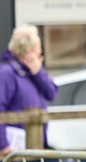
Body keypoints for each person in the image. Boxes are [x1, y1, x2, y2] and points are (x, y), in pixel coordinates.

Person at [0, 25, 58, 154]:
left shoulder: (34, 73)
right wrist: (3, 145)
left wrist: (38, 72)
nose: (41, 52)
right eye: (38, 49)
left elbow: (52, 93)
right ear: (29, 52)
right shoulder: (7, 74)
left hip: (33, 145)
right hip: (13, 149)